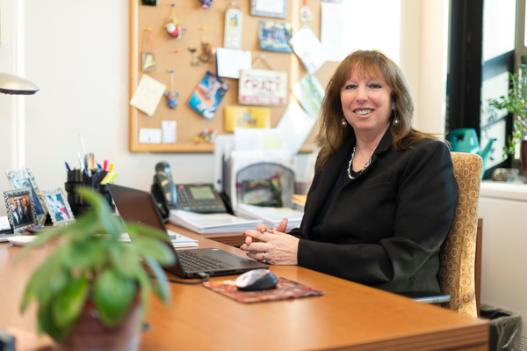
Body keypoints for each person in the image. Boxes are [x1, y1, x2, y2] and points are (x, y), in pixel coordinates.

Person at [241, 50, 458, 294]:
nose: (361, 96)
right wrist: (273, 244)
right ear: (339, 101)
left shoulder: (425, 156)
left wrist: (300, 251)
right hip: (329, 287)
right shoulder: (332, 157)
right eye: (350, 87)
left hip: (393, 299)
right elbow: (314, 236)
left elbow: (400, 259)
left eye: (374, 86)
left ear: (395, 100)